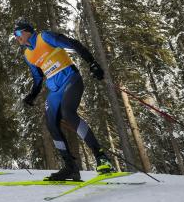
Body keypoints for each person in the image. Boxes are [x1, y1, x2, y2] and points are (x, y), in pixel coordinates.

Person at [13, 19, 113, 181]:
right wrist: (32, 95)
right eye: (14, 36)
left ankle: (101, 158)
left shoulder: (44, 37)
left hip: (71, 79)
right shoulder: (28, 55)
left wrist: (92, 63)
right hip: (54, 89)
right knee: (51, 123)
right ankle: (70, 168)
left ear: (27, 31)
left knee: (68, 112)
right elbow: (37, 77)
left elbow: (73, 44)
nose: (16, 37)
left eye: (18, 33)